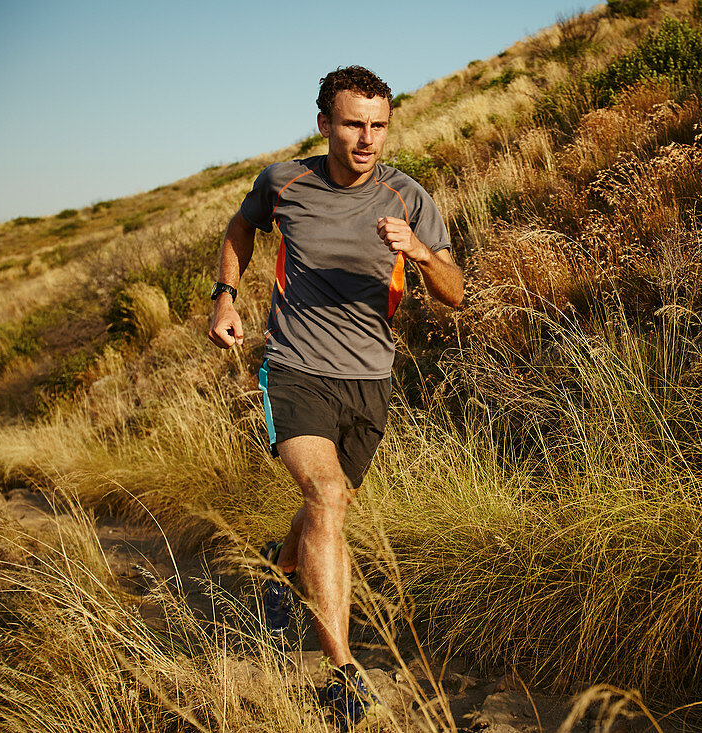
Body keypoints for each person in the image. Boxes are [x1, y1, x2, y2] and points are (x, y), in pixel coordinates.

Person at [206, 65, 463, 730]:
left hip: (369, 379)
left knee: (330, 504)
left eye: (379, 125)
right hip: (293, 367)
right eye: (354, 123)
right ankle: (342, 673)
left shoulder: (408, 196)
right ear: (324, 124)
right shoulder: (283, 181)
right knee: (325, 498)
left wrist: (423, 255)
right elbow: (241, 229)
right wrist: (225, 299)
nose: (367, 138)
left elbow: (456, 293)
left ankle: (281, 562)